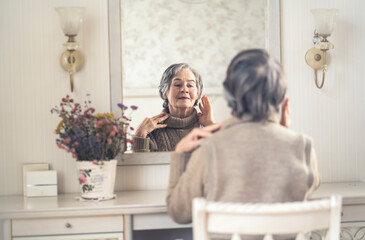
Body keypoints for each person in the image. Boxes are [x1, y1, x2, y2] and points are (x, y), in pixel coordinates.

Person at [166, 49, 320, 225]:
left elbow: (179, 213)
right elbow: (305, 188)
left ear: (229, 95)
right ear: (282, 99)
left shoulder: (209, 149)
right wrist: (283, 135)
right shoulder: (302, 147)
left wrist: (180, 154)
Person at [133, 63, 215, 152]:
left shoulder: (208, 129)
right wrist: (139, 136)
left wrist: (211, 125)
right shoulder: (151, 133)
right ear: (165, 93)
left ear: (197, 95)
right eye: (178, 84)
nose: (184, 89)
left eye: (190, 85)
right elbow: (141, 165)